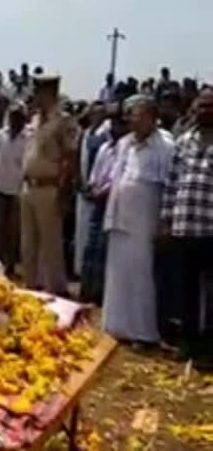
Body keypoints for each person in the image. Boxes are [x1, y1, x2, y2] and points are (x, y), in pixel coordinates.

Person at [102, 95, 174, 345]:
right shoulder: (125, 144)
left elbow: (169, 185)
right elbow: (116, 176)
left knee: (141, 274)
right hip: (121, 214)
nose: (133, 120)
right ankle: (117, 325)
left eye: (138, 115)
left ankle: (142, 331)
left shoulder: (165, 145)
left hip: (145, 217)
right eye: (131, 115)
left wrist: (165, 221)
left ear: (152, 118)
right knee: (118, 270)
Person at [160, 87, 213, 366]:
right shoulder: (183, 142)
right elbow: (171, 183)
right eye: (201, 106)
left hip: (210, 229)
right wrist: (167, 219)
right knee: (187, 290)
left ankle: (209, 348)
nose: (205, 111)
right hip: (183, 226)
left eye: (210, 106)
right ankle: (188, 344)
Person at [20, 75, 78, 295]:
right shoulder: (35, 120)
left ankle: (55, 291)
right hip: (28, 186)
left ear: (50, 93)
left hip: (49, 188)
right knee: (28, 244)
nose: (35, 96)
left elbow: (70, 158)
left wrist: (64, 192)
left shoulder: (63, 121)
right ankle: (30, 287)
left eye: (38, 91)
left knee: (51, 245)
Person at [79, 109, 129, 305]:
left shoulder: (125, 150)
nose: (116, 128)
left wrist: (102, 192)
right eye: (114, 124)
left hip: (112, 202)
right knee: (90, 247)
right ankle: (87, 290)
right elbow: (95, 174)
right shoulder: (105, 148)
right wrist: (92, 188)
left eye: (120, 124)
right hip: (97, 202)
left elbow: (117, 177)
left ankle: (100, 294)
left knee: (104, 249)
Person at [0, 102, 29, 274]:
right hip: (0, 185)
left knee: (13, 230)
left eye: (17, 116)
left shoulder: (28, 137)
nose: (14, 119)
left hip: (17, 189)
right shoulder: (0, 135)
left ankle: (10, 263)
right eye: (11, 116)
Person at [74, 101, 109, 277]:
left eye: (98, 113)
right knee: (81, 232)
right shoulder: (86, 133)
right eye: (93, 113)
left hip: (97, 191)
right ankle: (80, 269)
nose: (95, 115)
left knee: (92, 233)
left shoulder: (106, 134)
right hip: (83, 187)